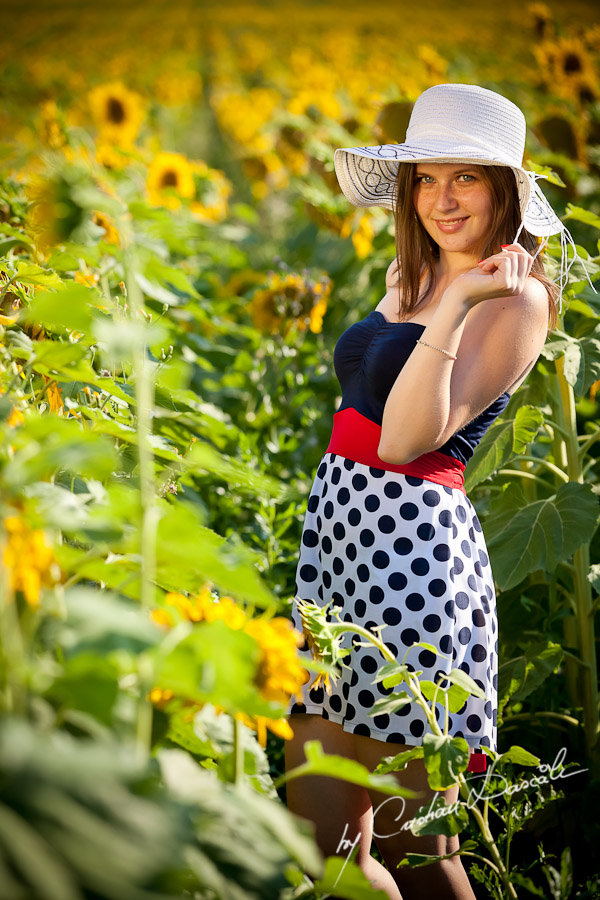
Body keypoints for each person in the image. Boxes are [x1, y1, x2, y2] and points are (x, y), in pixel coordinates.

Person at [283, 83, 596, 900]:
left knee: (419, 847)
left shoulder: (515, 298)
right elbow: (361, 396)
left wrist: (453, 304)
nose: (441, 198)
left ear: (506, 193)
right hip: (340, 539)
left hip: (412, 557)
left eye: (467, 179)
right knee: (321, 839)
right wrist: (410, 300)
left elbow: (405, 437)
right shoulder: (411, 273)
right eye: (427, 178)